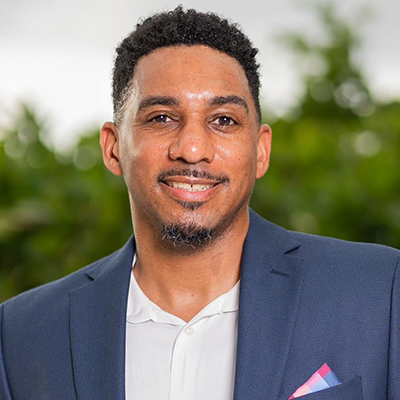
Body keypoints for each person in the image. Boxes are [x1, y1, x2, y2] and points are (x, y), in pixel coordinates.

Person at [0, 6, 399, 400]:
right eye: (161, 118)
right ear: (113, 148)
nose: (192, 149)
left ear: (260, 151)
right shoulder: (21, 335)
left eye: (223, 120)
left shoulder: (379, 294)